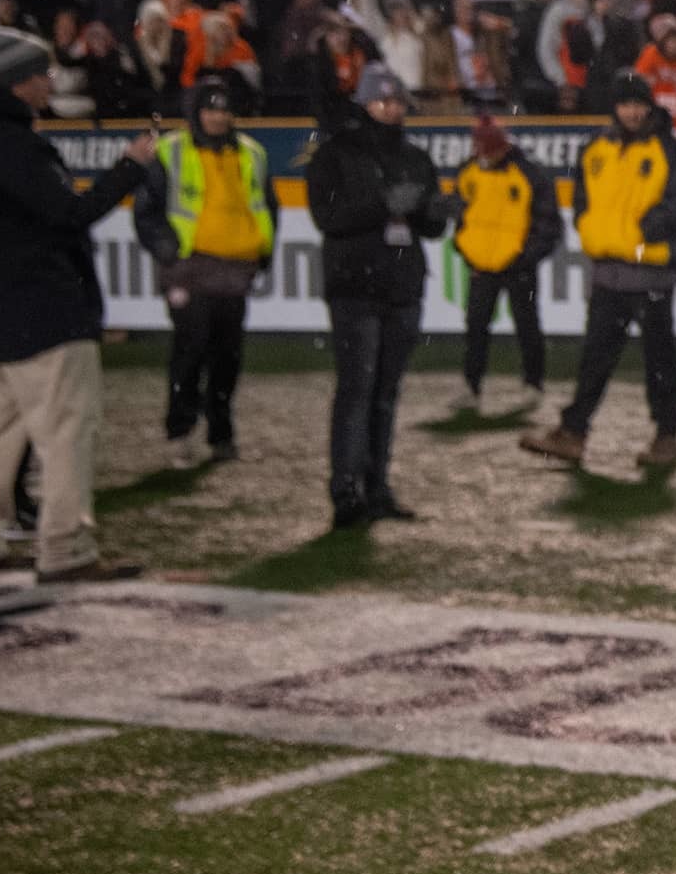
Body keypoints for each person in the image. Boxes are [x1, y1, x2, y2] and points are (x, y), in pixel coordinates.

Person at [0, 27, 156, 582]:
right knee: (65, 430)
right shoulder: (12, 144)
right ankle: (64, 548)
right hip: (40, 307)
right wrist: (129, 167)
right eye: (42, 73)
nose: (50, 82)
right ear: (17, 82)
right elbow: (68, 215)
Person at [526, 74, 676, 477]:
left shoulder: (672, 150)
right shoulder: (596, 148)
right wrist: (592, 229)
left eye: (638, 104)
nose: (632, 112)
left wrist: (642, 233)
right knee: (595, 357)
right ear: (615, 107)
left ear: (650, 106)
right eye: (625, 104)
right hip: (609, 272)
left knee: (659, 359)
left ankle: (666, 435)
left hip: (651, 272)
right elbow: (582, 199)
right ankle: (574, 431)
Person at [305, 64, 453, 529]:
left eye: (396, 102)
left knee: (385, 393)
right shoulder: (334, 154)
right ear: (364, 103)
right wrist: (382, 205)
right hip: (355, 286)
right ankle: (346, 491)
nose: (391, 109)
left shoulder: (415, 157)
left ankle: (377, 488)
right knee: (357, 390)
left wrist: (437, 212)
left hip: (401, 285)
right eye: (382, 101)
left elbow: (429, 227)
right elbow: (328, 217)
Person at [133, 78, 277, 468]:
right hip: (188, 268)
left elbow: (267, 206)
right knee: (190, 350)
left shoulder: (252, 153)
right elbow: (147, 210)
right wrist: (167, 250)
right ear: (196, 113)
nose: (218, 116)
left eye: (224, 109)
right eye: (210, 109)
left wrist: (264, 252)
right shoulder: (171, 150)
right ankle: (180, 432)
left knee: (227, 357)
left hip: (235, 269)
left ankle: (221, 433)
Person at [449, 100, 562, 417]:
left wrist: (524, 258)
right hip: (482, 266)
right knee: (475, 326)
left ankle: (533, 384)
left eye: (487, 151)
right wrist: (467, 251)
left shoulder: (529, 175)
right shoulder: (469, 172)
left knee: (527, 325)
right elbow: (460, 216)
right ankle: (471, 386)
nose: (483, 156)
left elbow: (548, 226)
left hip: (518, 267)